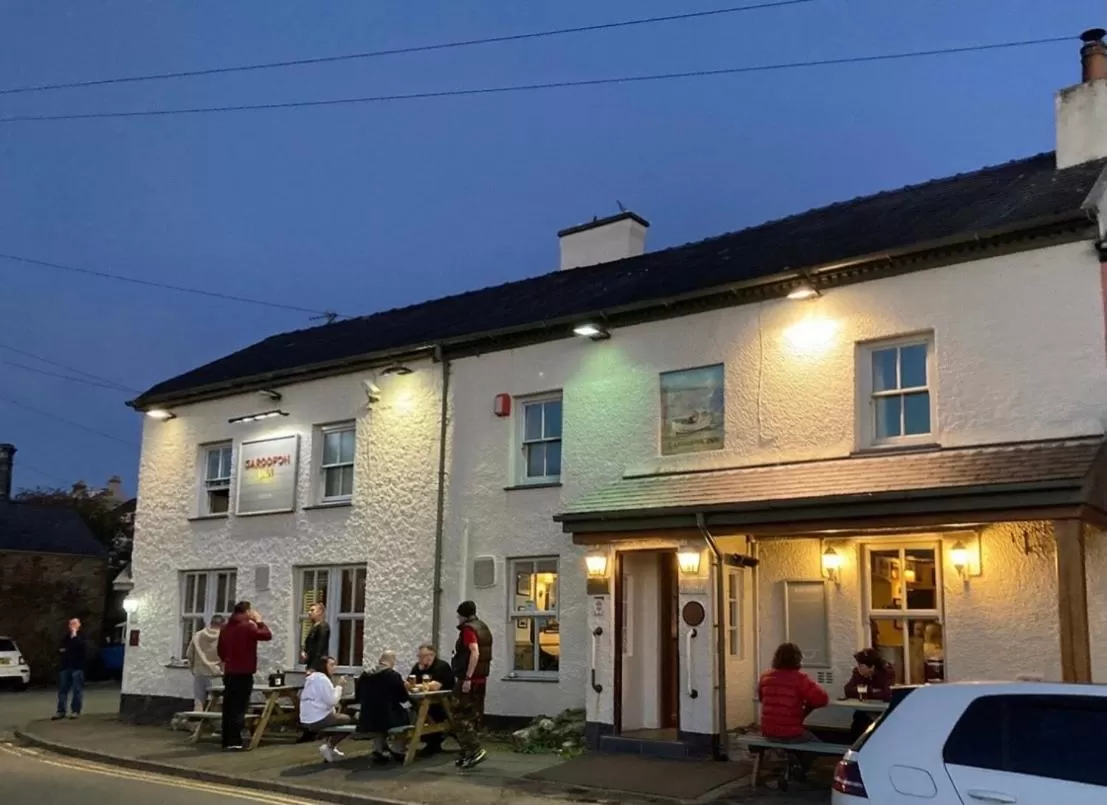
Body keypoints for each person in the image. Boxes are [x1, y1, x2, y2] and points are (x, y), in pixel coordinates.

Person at [758, 642, 829, 780]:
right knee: (818, 745)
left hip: (768, 731)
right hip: (791, 733)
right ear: (797, 658)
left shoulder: (765, 677)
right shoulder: (799, 679)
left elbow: (762, 698)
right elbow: (822, 699)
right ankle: (799, 768)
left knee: (797, 740)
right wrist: (807, 706)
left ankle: (791, 763)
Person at [217, 601, 273, 751]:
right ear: (247, 611)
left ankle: (226, 740)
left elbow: (220, 650)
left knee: (228, 707)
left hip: (229, 672)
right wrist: (260, 622)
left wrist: (225, 661)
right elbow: (267, 635)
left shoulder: (225, 628)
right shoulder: (248, 626)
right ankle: (235, 741)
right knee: (240, 708)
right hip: (244, 672)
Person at [451, 600, 493, 770]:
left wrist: (467, 678)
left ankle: (475, 750)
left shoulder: (468, 630)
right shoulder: (483, 627)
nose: (458, 618)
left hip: (470, 680)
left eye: (458, 615)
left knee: (459, 716)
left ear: (463, 615)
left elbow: (474, 652)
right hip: (481, 679)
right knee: (474, 716)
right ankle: (467, 754)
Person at [356, 650, 411, 764]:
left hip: (367, 716)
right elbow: (403, 698)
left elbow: (358, 696)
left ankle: (378, 750)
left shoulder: (365, 675)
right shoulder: (393, 675)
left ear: (380, 660)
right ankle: (398, 749)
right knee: (406, 715)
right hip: (388, 716)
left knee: (379, 718)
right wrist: (405, 687)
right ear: (392, 661)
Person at [299, 655, 351, 763]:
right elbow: (332, 701)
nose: (334, 667)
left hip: (306, 718)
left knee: (336, 717)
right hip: (317, 718)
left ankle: (330, 748)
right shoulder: (322, 679)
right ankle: (330, 746)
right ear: (323, 666)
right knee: (349, 721)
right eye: (331, 665)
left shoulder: (312, 678)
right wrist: (339, 686)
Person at [407, 643, 455, 756]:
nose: (419, 659)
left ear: (431, 656)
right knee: (415, 709)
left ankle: (436, 740)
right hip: (425, 701)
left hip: (443, 702)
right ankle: (431, 741)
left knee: (429, 713)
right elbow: (409, 682)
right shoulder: (417, 667)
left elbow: (435, 686)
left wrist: (416, 687)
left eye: (422, 656)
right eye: (418, 656)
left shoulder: (441, 666)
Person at [844, 648, 894, 742]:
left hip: (880, 711)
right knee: (858, 719)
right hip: (864, 710)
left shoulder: (887, 672)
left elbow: (887, 694)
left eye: (861, 665)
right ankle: (854, 749)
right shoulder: (858, 672)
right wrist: (871, 690)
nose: (858, 667)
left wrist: (865, 691)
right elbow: (848, 690)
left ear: (872, 667)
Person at [185, 615, 225, 710]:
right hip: (216, 673)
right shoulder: (223, 636)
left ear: (211, 623)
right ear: (222, 624)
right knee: (217, 702)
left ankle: (197, 723)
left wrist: (193, 669)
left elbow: (189, 654)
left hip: (199, 671)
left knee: (199, 702)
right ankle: (215, 724)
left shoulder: (198, 635)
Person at [54, 617, 88, 720]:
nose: (72, 626)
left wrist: (74, 637)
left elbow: (81, 647)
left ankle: (75, 711)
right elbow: (61, 649)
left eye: (74, 624)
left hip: (77, 667)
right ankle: (61, 711)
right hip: (66, 666)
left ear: (79, 625)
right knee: (62, 690)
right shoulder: (66, 637)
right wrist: (68, 649)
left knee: (77, 690)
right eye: (70, 624)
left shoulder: (82, 636)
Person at [301, 602, 330, 669]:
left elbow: (321, 648)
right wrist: (305, 652)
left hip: (318, 667)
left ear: (320, 612)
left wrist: (313, 667)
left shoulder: (323, 627)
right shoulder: (314, 628)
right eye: (309, 610)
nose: (309, 612)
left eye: (312, 610)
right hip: (310, 664)